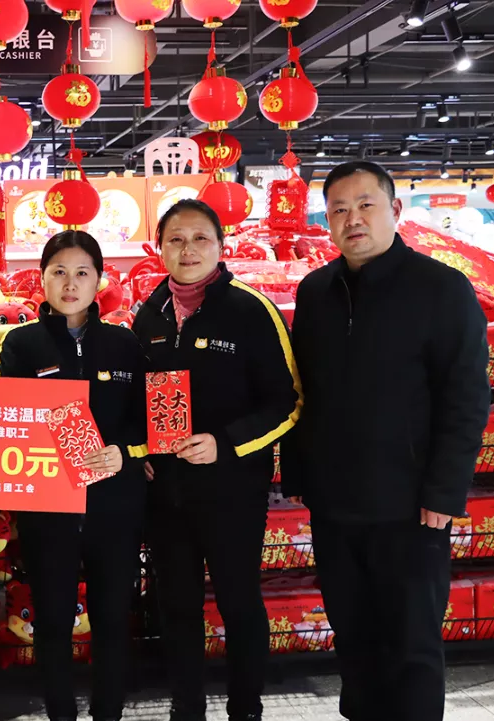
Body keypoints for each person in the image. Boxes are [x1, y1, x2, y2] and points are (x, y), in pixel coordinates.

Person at [281, 161, 490, 721]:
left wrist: (444, 491)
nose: (353, 219)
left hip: (411, 506)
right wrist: (300, 474)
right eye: (339, 209)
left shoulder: (441, 288)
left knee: (412, 644)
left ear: (395, 210)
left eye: (365, 205)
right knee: (353, 638)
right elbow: (304, 388)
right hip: (335, 504)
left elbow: (466, 398)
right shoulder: (316, 290)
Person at [132, 199, 302, 721]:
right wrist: (140, 450)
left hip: (233, 492)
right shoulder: (150, 314)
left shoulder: (250, 310)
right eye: (176, 239)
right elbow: (135, 397)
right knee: (176, 605)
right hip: (167, 494)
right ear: (160, 247)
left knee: (238, 602)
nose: (188, 250)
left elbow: (287, 400)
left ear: (220, 246)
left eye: (200, 238)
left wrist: (225, 443)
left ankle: (245, 707)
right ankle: (187, 707)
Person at [0, 230, 149, 721]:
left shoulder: (124, 343)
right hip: (48, 509)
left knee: (112, 618)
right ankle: (60, 711)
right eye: (58, 272)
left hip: (114, 507)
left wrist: (124, 453)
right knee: (53, 620)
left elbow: (145, 419)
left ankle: (109, 712)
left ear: (99, 279)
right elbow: (7, 419)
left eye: (82, 272)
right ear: (41, 278)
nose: (70, 283)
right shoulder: (20, 344)